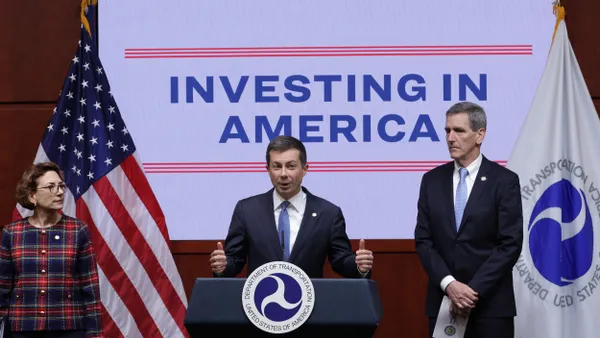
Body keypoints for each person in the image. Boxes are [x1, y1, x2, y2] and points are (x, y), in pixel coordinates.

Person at [414, 102, 523, 338]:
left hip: (491, 306)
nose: (451, 138)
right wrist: (450, 284)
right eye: (447, 131)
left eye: (459, 131)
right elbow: (424, 240)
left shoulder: (504, 181)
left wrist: (472, 290)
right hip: (443, 303)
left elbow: (510, 244)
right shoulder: (431, 181)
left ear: (480, 135)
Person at [210, 135, 374, 278]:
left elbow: (340, 261)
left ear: (304, 169)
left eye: (291, 166)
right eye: (276, 166)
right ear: (268, 170)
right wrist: (223, 266)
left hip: (309, 307)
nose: (283, 174)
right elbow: (234, 260)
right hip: (259, 304)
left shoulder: (328, 213)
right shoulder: (247, 210)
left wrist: (358, 265)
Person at [0, 162, 103, 338]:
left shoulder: (78, 230)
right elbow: (2, 287)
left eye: (61, 186)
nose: (60, 192)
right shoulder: (12, 232)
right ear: (32, 195)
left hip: (69, 328)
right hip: (22, 328)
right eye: (51, 187)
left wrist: (95, 333)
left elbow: (90, 288)